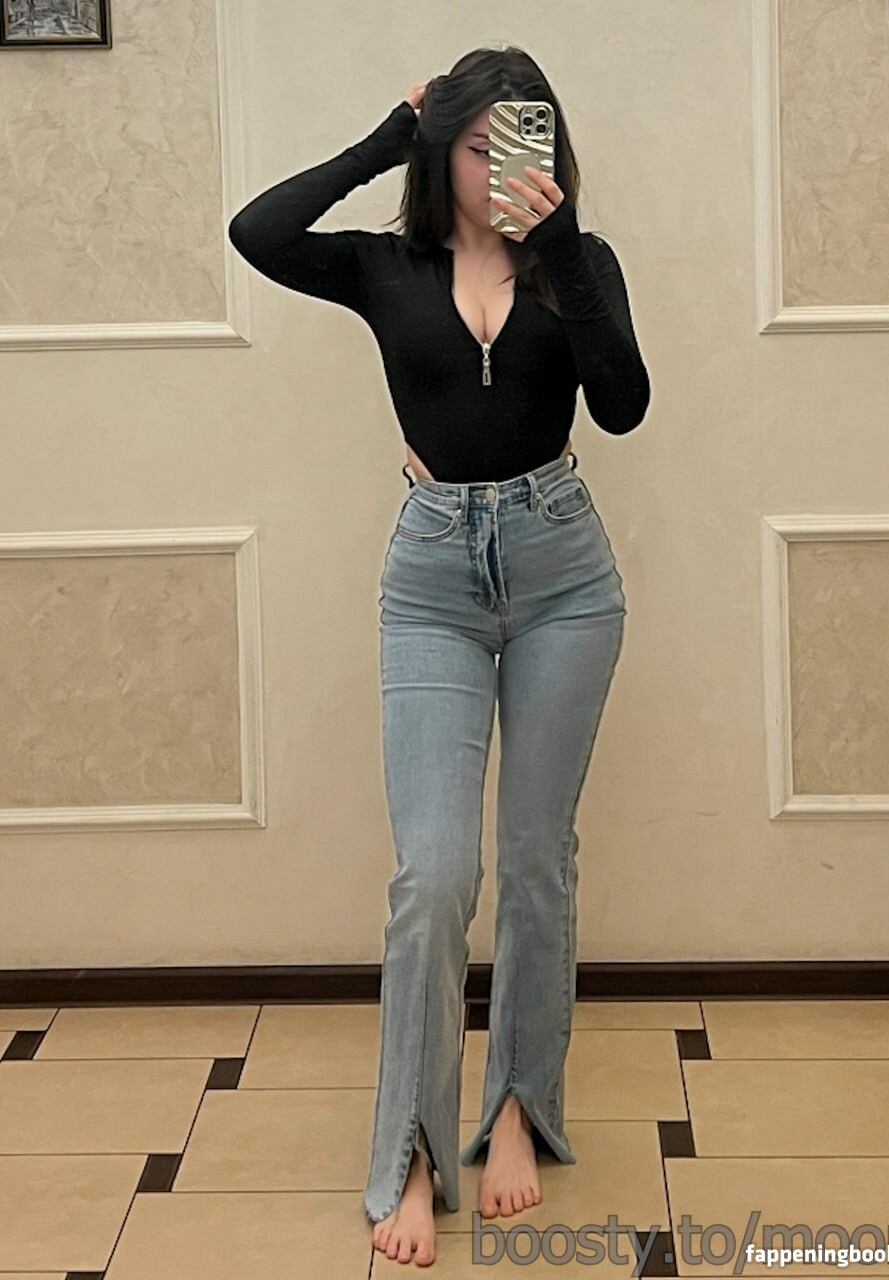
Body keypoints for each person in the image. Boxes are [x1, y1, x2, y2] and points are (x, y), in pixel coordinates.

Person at [228, 44, 650, 1269]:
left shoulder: (581, 261)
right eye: (476, 143)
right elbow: (259, 232)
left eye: (525, 136)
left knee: (535, 861)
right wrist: (383, 137)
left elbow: (623, 404)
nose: (499, 163)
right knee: (432, 875)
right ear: (443, 148)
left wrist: (558, 245)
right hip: (430, 581)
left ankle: (518, 1104)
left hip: (564, 572)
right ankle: (410, 1146)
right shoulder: (386, 267)